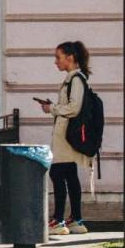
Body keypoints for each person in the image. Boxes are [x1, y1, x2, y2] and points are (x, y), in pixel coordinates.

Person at [41, 41, 91, 236]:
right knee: (70, 174)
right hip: (67, 135)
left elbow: (73, 108)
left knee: (57, 173)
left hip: (66, 136)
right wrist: (54, 107)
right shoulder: (75, 79)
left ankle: (59, 220)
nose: (56, 62)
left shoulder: (75, 79)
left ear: (70, 58)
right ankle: (75, 219)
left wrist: (52, 108)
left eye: (58, 57)